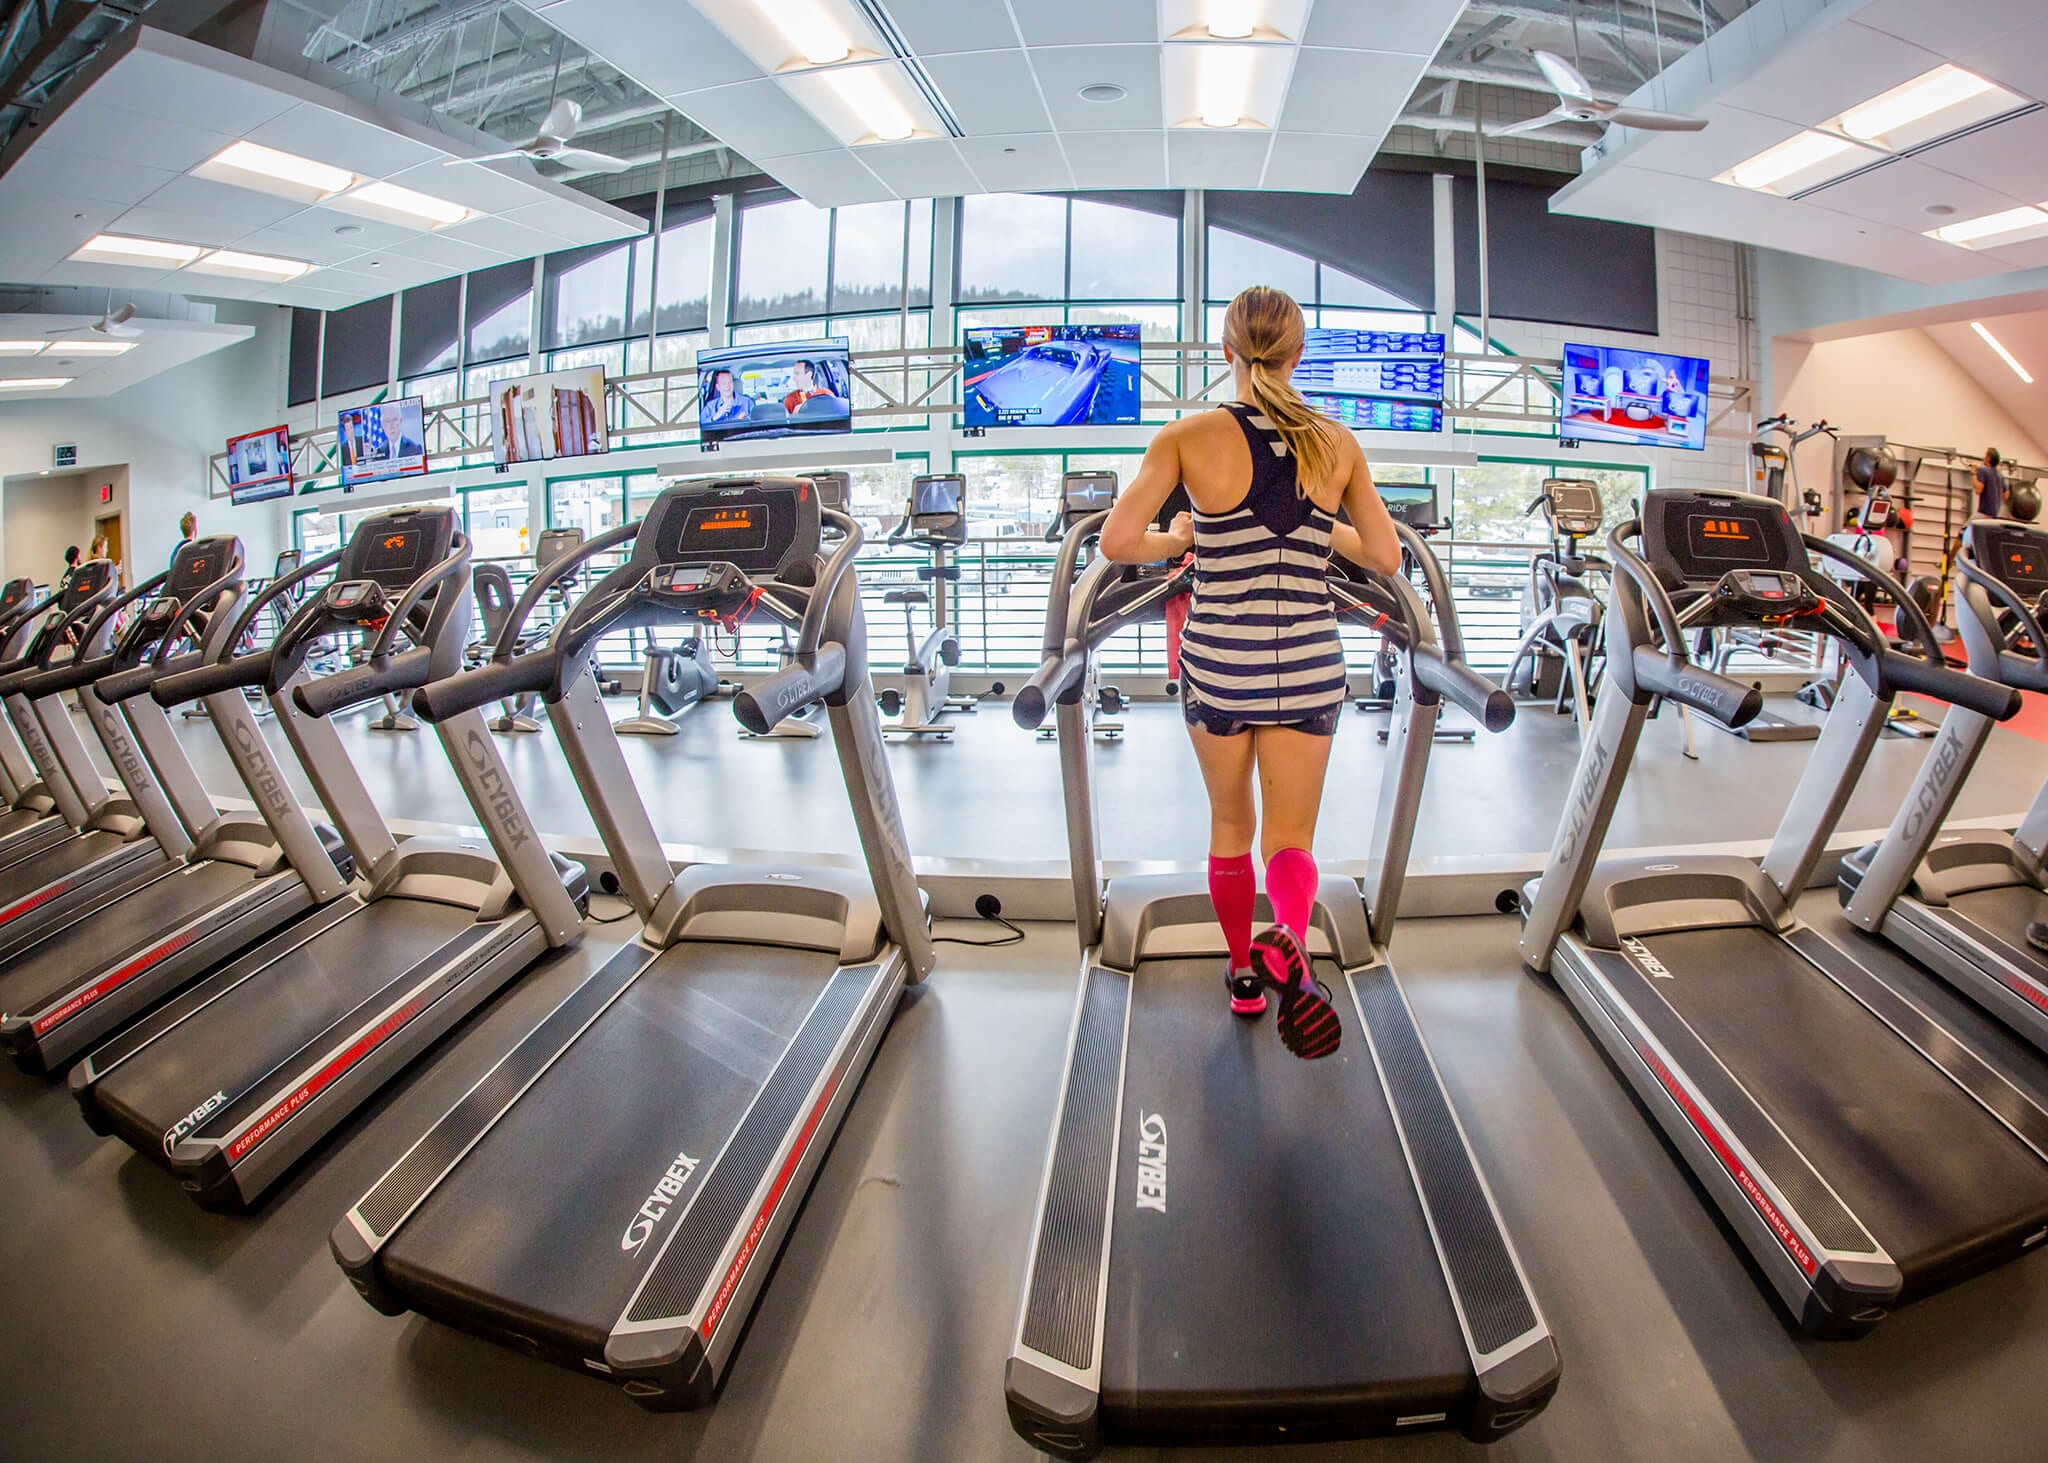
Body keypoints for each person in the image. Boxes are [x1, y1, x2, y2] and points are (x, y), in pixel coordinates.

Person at [1097, 284, 1400, 1060]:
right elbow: (1387, 556)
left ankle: (1240, 971)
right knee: (1291, 837)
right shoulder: (1338, 442)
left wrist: (1185, 536)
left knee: (1232, 828)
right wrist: (1317, 528)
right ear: (1298, 354)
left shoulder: (1188, 435)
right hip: (1307, 661)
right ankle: (1288, 940)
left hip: (1219, 666)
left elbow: (1118, 541)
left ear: (1226, 351)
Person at [1977, 447, 2006, 519]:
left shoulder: (1982, 470)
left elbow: (1978, 490)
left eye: (1985, 455)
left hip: (1984, 513)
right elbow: (2006, 495)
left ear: (1988, 458)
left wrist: (1974, 473)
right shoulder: (2001, 475)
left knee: (1966, 529)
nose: (1984, 457)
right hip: (1995, 515)